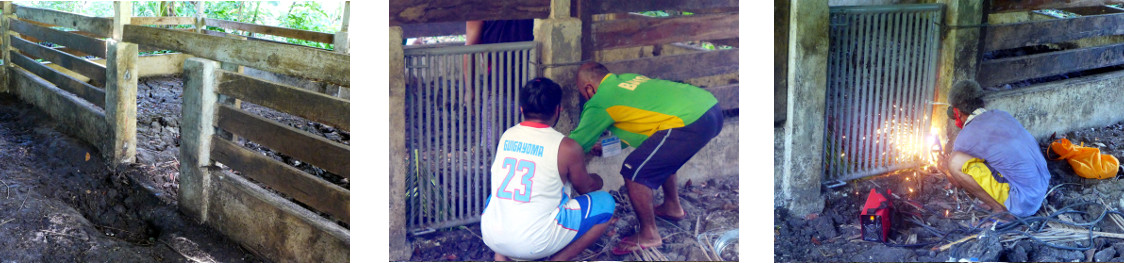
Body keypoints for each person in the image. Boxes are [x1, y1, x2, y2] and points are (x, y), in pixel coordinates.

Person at [569, 62, 724, 254]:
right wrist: (605, 147)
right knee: (658, 155)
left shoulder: (600, 100)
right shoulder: (628, 80)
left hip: (691, 120)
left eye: (583, 94)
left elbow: (573, 145)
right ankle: (672, 207)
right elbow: (636, 133)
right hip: (711, 109)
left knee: (633, 171)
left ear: (589, 88)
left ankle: (649, 234)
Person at [480, 77, 615, 261]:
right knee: (605, 203)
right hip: (535, 243)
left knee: (498, 198)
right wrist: (599, 178)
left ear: (521, 109)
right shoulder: (566, 147)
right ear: (558, 110)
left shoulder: (507, 135)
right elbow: (586, 188)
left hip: (491, 235)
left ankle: (501, 257)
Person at [942, 80, 1050, 218]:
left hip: (1024, 202)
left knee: (955, 162)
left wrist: (944, 167)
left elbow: (958, 182)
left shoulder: (966, 137)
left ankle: (1000, 210)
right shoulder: (1002, 115)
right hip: (1041, 187)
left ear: (957, 113)